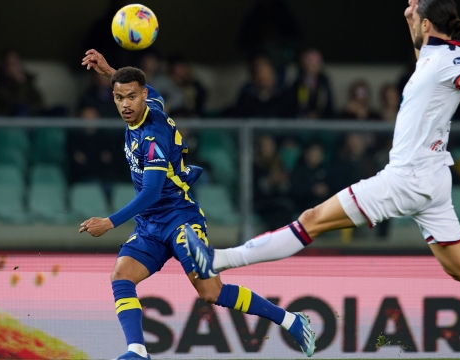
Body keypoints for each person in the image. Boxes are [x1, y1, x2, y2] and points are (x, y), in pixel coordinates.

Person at [186, 0, 460, 335]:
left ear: (429, 23)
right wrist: (413, 20)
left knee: (310, 221)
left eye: (414, 10)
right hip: (431, 179)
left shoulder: (451, 62)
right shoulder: (433, 55)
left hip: (408, 178)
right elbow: (422, 49)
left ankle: (218, 260)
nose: (407, 10)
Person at [78, 50, 315, 360]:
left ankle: (291, 320)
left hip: (178, 219)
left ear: (143, 95)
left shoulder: (152, 137)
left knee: (211, 293)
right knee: (121, 276)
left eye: (131, 97)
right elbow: (132, 86)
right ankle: (137, 351)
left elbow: (150, 193)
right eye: (119, 97)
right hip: (150, 226)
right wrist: (109, 69)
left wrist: (109, 222)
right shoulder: (151, 102)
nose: (125, 104)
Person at [0, 50, 43, 117]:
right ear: (4, 66)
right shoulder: (0, 85)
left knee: (58, 111)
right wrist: (21, 83)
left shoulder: (27, 81)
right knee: (21, 109)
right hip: (11, 118)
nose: (15, 67)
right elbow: (14, 104)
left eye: (16, 62)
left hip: (32, 115)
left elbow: (39, 102)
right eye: (11, 63)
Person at [290, 49, 334, 119]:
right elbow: (298, 103)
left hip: (321, 119)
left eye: (314, 64)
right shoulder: (300, 81)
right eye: (308, 64)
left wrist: (318, 114)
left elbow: (328, 103)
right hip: (302, 119)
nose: (311, 67)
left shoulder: (323, 81)